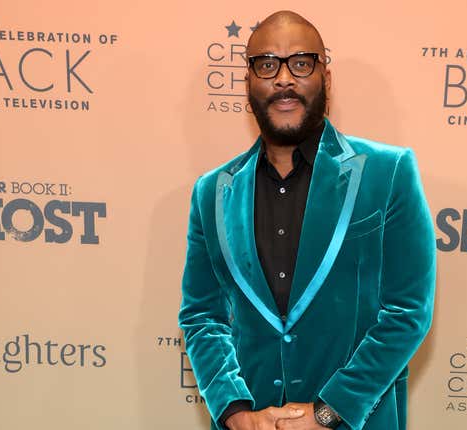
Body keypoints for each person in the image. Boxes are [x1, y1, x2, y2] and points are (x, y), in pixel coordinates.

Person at [179, 10, 436, 430]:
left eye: (301, 62)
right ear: (249, 83)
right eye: (267, 65)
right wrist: (235, 412)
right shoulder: (211, 192)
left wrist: (327, 413)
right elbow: (203, 315)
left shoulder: (388, 173)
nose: (283, 78)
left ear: (326, 79)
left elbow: (407, 311)